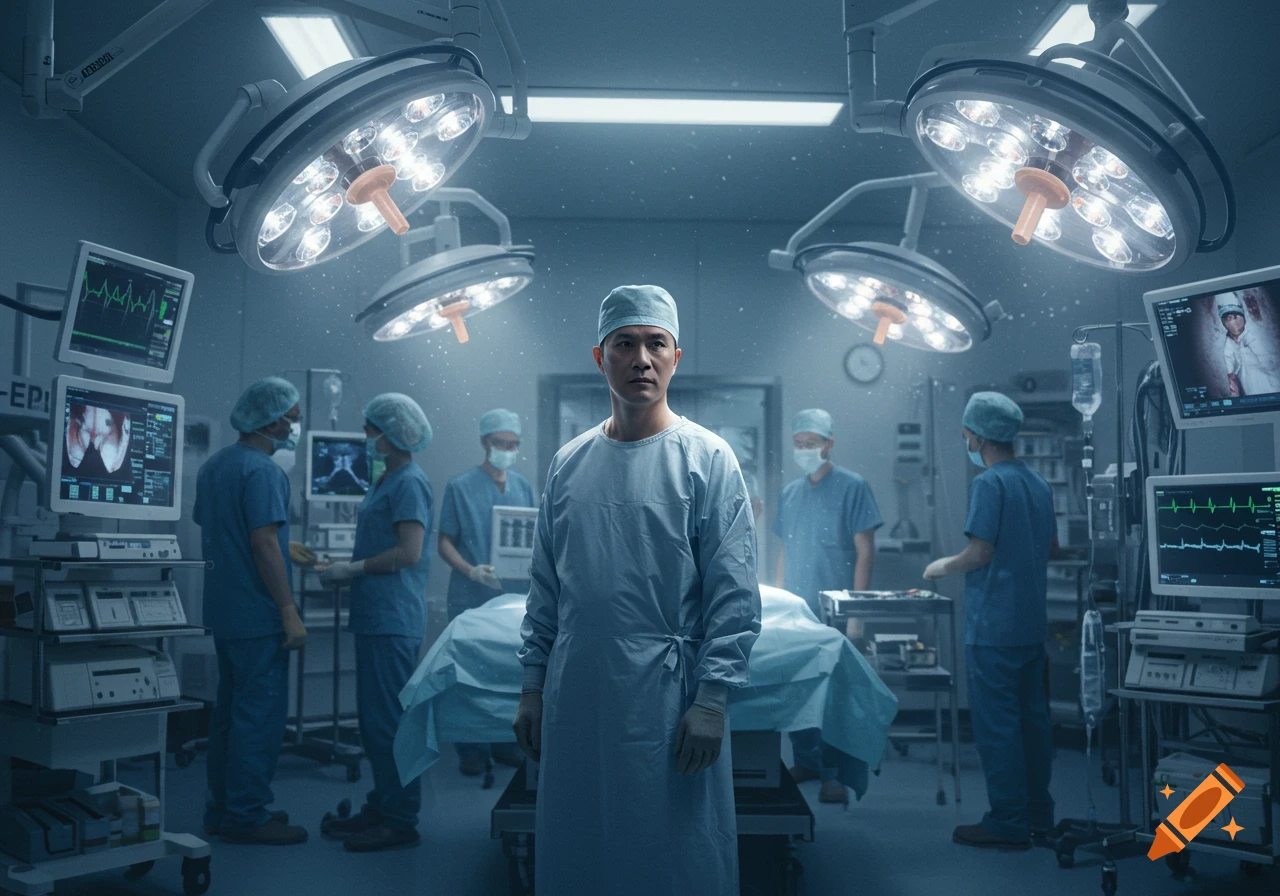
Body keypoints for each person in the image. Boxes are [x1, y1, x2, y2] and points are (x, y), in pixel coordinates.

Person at [512, 285, 761, 895]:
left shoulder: (708, 459)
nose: (642, 359)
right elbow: (545, 587)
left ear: (677, 357)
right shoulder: (569, 464)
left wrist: (713, 700)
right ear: (601, 358)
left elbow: (733, 591)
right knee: (583, 841)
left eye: (656, 344)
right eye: (625, 344)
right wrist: (531, 687)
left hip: (669, 697)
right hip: (579, 691)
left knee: (671, 850)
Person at [924, 392, 1056, 851]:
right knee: (1033, 724)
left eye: (966, 436)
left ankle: (1007, 823)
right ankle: (1038, 816)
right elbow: (1049, 548)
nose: (966, 443)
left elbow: (980, 553)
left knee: (998, 727)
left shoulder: (989, 484)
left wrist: (943, 565)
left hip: (993, 628)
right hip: (1030, 625)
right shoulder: (1038, 484)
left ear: (979, 437)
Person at [194, 377, 309, 845]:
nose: (296, 427)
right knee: (258, 716)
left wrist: (284, 544)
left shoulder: (214, 466)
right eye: (293, 419)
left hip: (224, 611)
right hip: (258, 614)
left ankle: (222, 808)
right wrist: (288, 609)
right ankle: (247, 815)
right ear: (273, 421)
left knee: (228, 712)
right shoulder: (264, 472)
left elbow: (227, 530)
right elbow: (261, 542)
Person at [318, 394, 434, 852]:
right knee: (374, 723)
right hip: (376, 615)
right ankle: (383, 805)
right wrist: (340, 566)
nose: (366, 437)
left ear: (393, 432)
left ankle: (401, 820)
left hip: (392, 617)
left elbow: (409, 552)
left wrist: (351, 570)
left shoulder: (410, 482)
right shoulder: (386, 479)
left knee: (388, 724)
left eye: (371, 429)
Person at [774, 407, 882, 804]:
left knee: (835, 693)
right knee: (798, 688)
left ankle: (834, 775)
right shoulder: (791, 493)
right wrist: (781, 603)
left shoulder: (853, 487)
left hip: (837, 608)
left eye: (812, 443)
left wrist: (857, 613)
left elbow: (865, 550)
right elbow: (785, 551)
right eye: (799, 444)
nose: (804, 450)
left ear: (830, 443)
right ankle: (806, 761)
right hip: (798, 608)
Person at [438, 408, 537, 775]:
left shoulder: (523, 487)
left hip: (512, 596)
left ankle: (504, 741)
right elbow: (444, 542)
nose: (507, 450)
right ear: (484, 442)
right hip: (471, 593)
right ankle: (472, 748)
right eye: (500, 443)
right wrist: (471, 571)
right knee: (468, 670)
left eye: (513, 444)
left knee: (509, 670)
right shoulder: (460, 486)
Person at [1219, 293, 1280, 397]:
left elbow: (1272, 364)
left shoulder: (1258, 336)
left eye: (1236, 317)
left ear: (1244, 317)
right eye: (1229, 318)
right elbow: (1230, 374)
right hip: (1251, 393)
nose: (1234, 322)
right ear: (1223, 323)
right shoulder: (1227, 346)